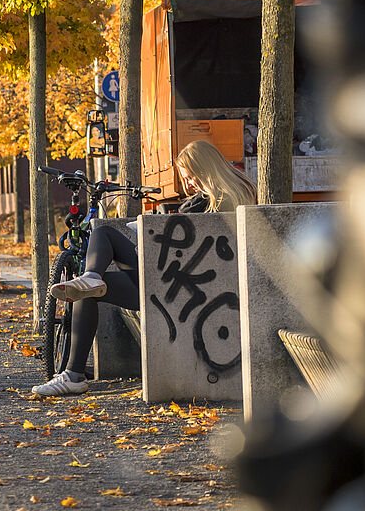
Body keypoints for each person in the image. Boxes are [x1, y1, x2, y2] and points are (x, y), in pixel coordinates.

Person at [33, 140, 257, 397]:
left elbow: (196, 251)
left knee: (102, 242)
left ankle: (74, 371)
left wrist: (157, 237)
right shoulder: (235, 193)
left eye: (191, 177)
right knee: (87, 284)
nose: (188, 184)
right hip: (178, 281)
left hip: (179, 288)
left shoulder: (213, 202)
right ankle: (90, 283)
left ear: (206, 169)